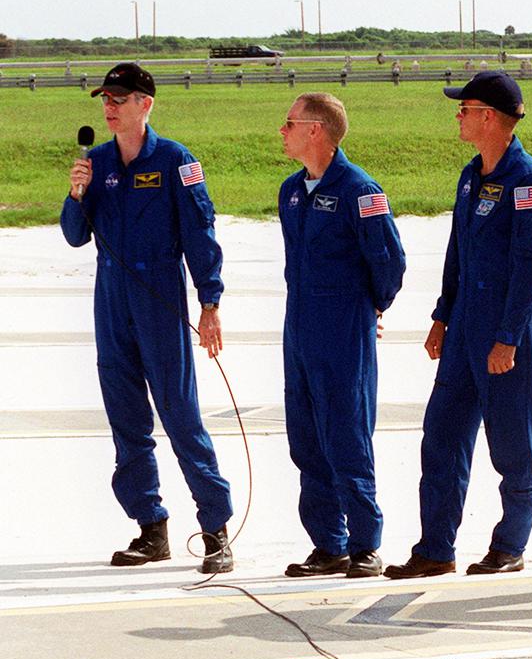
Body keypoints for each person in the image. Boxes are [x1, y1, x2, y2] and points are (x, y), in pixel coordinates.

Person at [61, 62, 234, 574]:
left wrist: (210, 303)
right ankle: (150, 526)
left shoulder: (177, 161)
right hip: (111, 298)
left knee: (180, 414)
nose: (110, 107)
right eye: (105, 100)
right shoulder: (96, 162)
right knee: (126, 416)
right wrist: (76, 193)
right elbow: (75, 235)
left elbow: (201, 237)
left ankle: (216, 528)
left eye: (120, 98)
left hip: (159, 297)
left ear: (146, 104)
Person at [384, 72, 532, 579]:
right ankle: (436, 548)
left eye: (465, 108)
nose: (458, 116)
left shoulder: (530, 182)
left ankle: (510, 543)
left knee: (510, 440)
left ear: (490, 117)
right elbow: (458, 253)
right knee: (441, 435)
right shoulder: (470, 174)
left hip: (507, 329)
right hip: (463, 328)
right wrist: (441, 315)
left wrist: (508, 338)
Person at [277, 93, 406, 579]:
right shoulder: (291, 191)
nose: (282, 131)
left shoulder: (360, 190)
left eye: (289, 123)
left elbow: (389, 262)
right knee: (306, 437)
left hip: (343, 329)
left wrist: (371, 305)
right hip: (300, 327)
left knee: (346, 434)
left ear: (317, 130)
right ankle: (328, 543)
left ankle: (365, 542)